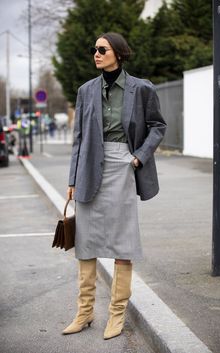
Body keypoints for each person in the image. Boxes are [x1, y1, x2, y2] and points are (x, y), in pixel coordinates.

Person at [63, 32, 167, 339]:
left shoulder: (142, 89)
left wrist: (138, 157)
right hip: (89, 169)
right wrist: (72, 178)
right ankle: (84, 314)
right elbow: (79, 138)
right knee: (85, 242)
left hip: (123, 165)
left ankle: (117, 315)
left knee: (123, 242)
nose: (95, 54)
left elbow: (158, 126)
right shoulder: (86, 91)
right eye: (93, 49)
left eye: (101, 49)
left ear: (117, 54)